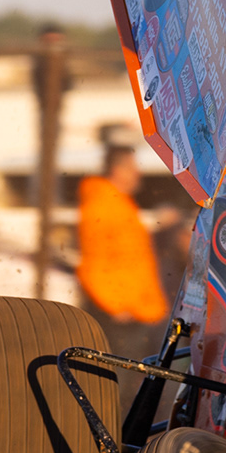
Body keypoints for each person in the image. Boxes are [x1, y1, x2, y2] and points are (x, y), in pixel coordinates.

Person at [76, 141, 173, 361]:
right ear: (117, 170)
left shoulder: (120, 204)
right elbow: (93, 262)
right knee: (121, 381)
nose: (138, 173)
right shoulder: (102, 205)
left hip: (139, 310)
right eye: (132, 167)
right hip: (124, 314)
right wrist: (116, 306)